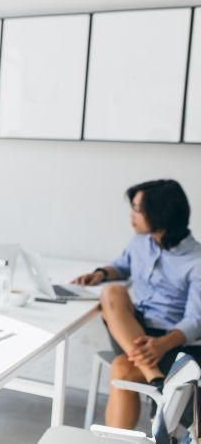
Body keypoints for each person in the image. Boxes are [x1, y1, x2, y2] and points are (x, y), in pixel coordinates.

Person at [72, 179, 201, 429]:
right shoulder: (140, 242)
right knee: (112, 292)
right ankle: (157, 381)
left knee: (121, 368)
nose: (131, 216)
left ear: (160, 213)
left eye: (137, 210)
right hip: (134, 333)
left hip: (175, 342)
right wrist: (101, 273)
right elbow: (122, 266)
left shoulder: (197, 260)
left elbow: (195, 321)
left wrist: (162, 345)